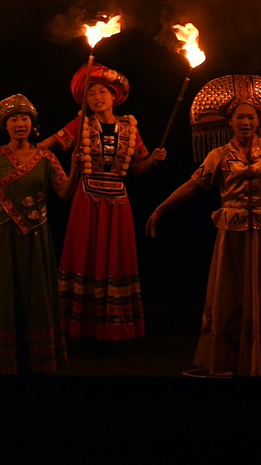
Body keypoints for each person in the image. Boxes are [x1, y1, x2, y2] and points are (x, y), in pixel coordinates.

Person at [147, 75, 261, 377]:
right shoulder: (218, 156)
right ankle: (231, 357)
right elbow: (192, 187)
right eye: (240, 117)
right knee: (232, 292)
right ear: (230, 122)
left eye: (251, 117)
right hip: (233, 236)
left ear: (259, 120)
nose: (246, 122)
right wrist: (160, 209)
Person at [38, 63, 165, 343]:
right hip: (86, 200)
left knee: (116, 258)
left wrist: (152, 161)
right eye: (91, 94)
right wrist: (30, 158)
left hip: (118, 202)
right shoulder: (81, 125)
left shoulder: (129, 127)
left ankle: (114, 330)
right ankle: (80, 329)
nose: (97, 98)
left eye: (102, 93)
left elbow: (137, 169)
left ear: (113, 96)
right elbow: (46, 147)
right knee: (85, 254)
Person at [0, 94, 73, 373]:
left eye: (25, 118)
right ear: (5, 126)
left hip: (35, 238)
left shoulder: (46, 157)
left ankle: (38, 357)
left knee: (36, 294)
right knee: (4, 292)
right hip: (2, 236)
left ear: (32, 123)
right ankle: (5, 358)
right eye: (14, 119)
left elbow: (65, 194)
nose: (20, 124)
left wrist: (76, 166)